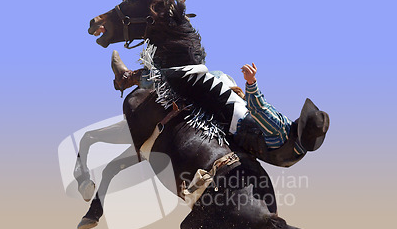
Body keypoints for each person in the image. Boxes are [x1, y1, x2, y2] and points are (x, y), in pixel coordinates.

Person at [111, 50, 329, 167]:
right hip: (242, 141)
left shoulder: (280, 128)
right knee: (225, 77)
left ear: (301, 121)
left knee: (196, 75)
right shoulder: (295, 155)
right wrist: (244, 98)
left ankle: (128, 78)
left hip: (235, 119)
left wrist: (251, 84)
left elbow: (259, 109)